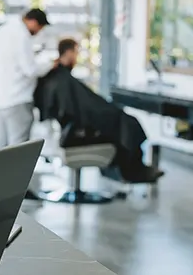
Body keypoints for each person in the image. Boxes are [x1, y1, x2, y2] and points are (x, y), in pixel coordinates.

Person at [34, 38, 163, 183]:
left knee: (123, 123)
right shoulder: (62, 78)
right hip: (78, 130)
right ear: (69, 52)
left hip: (74, 126)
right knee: (126, 123)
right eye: (76, 52)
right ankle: (133, 172)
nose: (77, 56)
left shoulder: (57, 75)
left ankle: (131, 170)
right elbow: (83, 107)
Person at [0, 8, 54, 147]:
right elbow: (30, 70)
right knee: (18, 149)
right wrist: (50, 65)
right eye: (40, 27)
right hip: (17, 99)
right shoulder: (22, 36)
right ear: (33, 22)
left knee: (1, 147)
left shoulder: (1, 31)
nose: (39, 32)